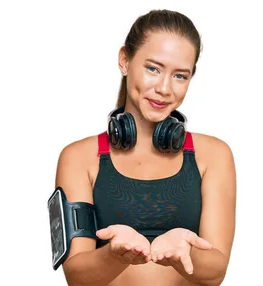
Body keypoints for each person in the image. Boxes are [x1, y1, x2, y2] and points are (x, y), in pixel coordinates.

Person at [54, 9, 236, 286]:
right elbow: (76, 276)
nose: (164, 88)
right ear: (124, 60)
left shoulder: (213, 155)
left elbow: (216, 272)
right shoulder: (79, 158)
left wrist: (182, 253)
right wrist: (116, 255)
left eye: (180, 76)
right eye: (153, 68)